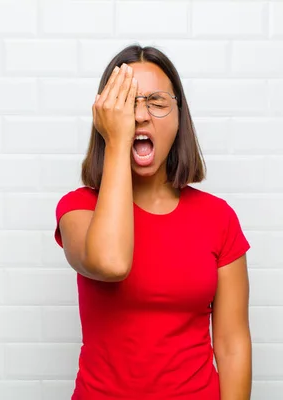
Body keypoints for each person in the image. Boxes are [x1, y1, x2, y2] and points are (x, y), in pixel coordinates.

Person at [54, 44, 252, 400]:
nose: (140, 116)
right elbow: (111, 262)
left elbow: (232, 342)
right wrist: (117, 141)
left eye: (157, 102)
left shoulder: (218, 218)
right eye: (127, 104)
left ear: (179, 116)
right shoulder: (78, 209)